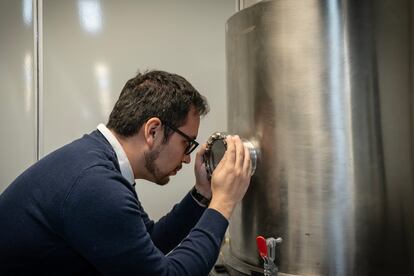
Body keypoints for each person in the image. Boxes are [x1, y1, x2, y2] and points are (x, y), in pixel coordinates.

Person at [0, 70, 252, 275]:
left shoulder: (96, 162)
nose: (187, 158)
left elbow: (150, 240)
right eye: (186, 143)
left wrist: (203, 193)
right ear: (153, 131)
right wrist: (222, 204)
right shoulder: (96, 185)